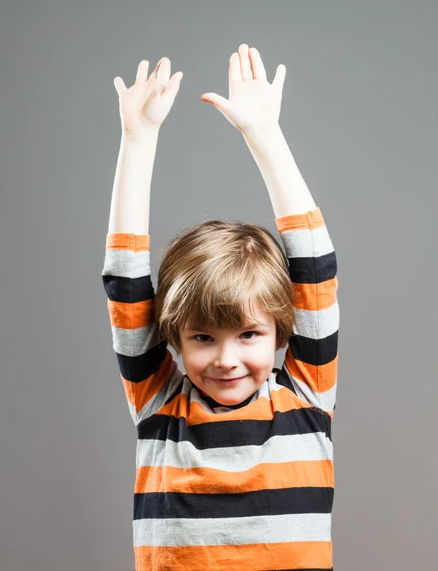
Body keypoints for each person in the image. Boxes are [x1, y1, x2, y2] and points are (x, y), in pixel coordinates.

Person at [101, 43, 339, 571]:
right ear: (173, 340)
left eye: (248, 334)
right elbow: (125, 279)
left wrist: (265, 136)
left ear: (282, 331)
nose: (227, 358)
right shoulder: (160, 403)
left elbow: (315, 266)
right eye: (203, 338)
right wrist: (137, 139)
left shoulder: (307, 397)